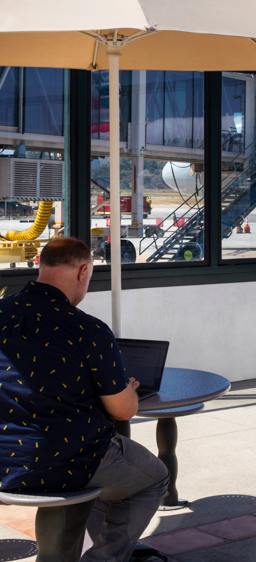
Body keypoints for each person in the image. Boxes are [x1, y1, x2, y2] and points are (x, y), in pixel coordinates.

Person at [0, 237, 168, 561]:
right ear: (83, 271)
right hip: (62, 460)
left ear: (40, 265)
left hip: (4, 461)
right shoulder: (87, 329)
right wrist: (129, 391)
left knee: (86, 471)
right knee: (153, 479)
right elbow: (123, 411)